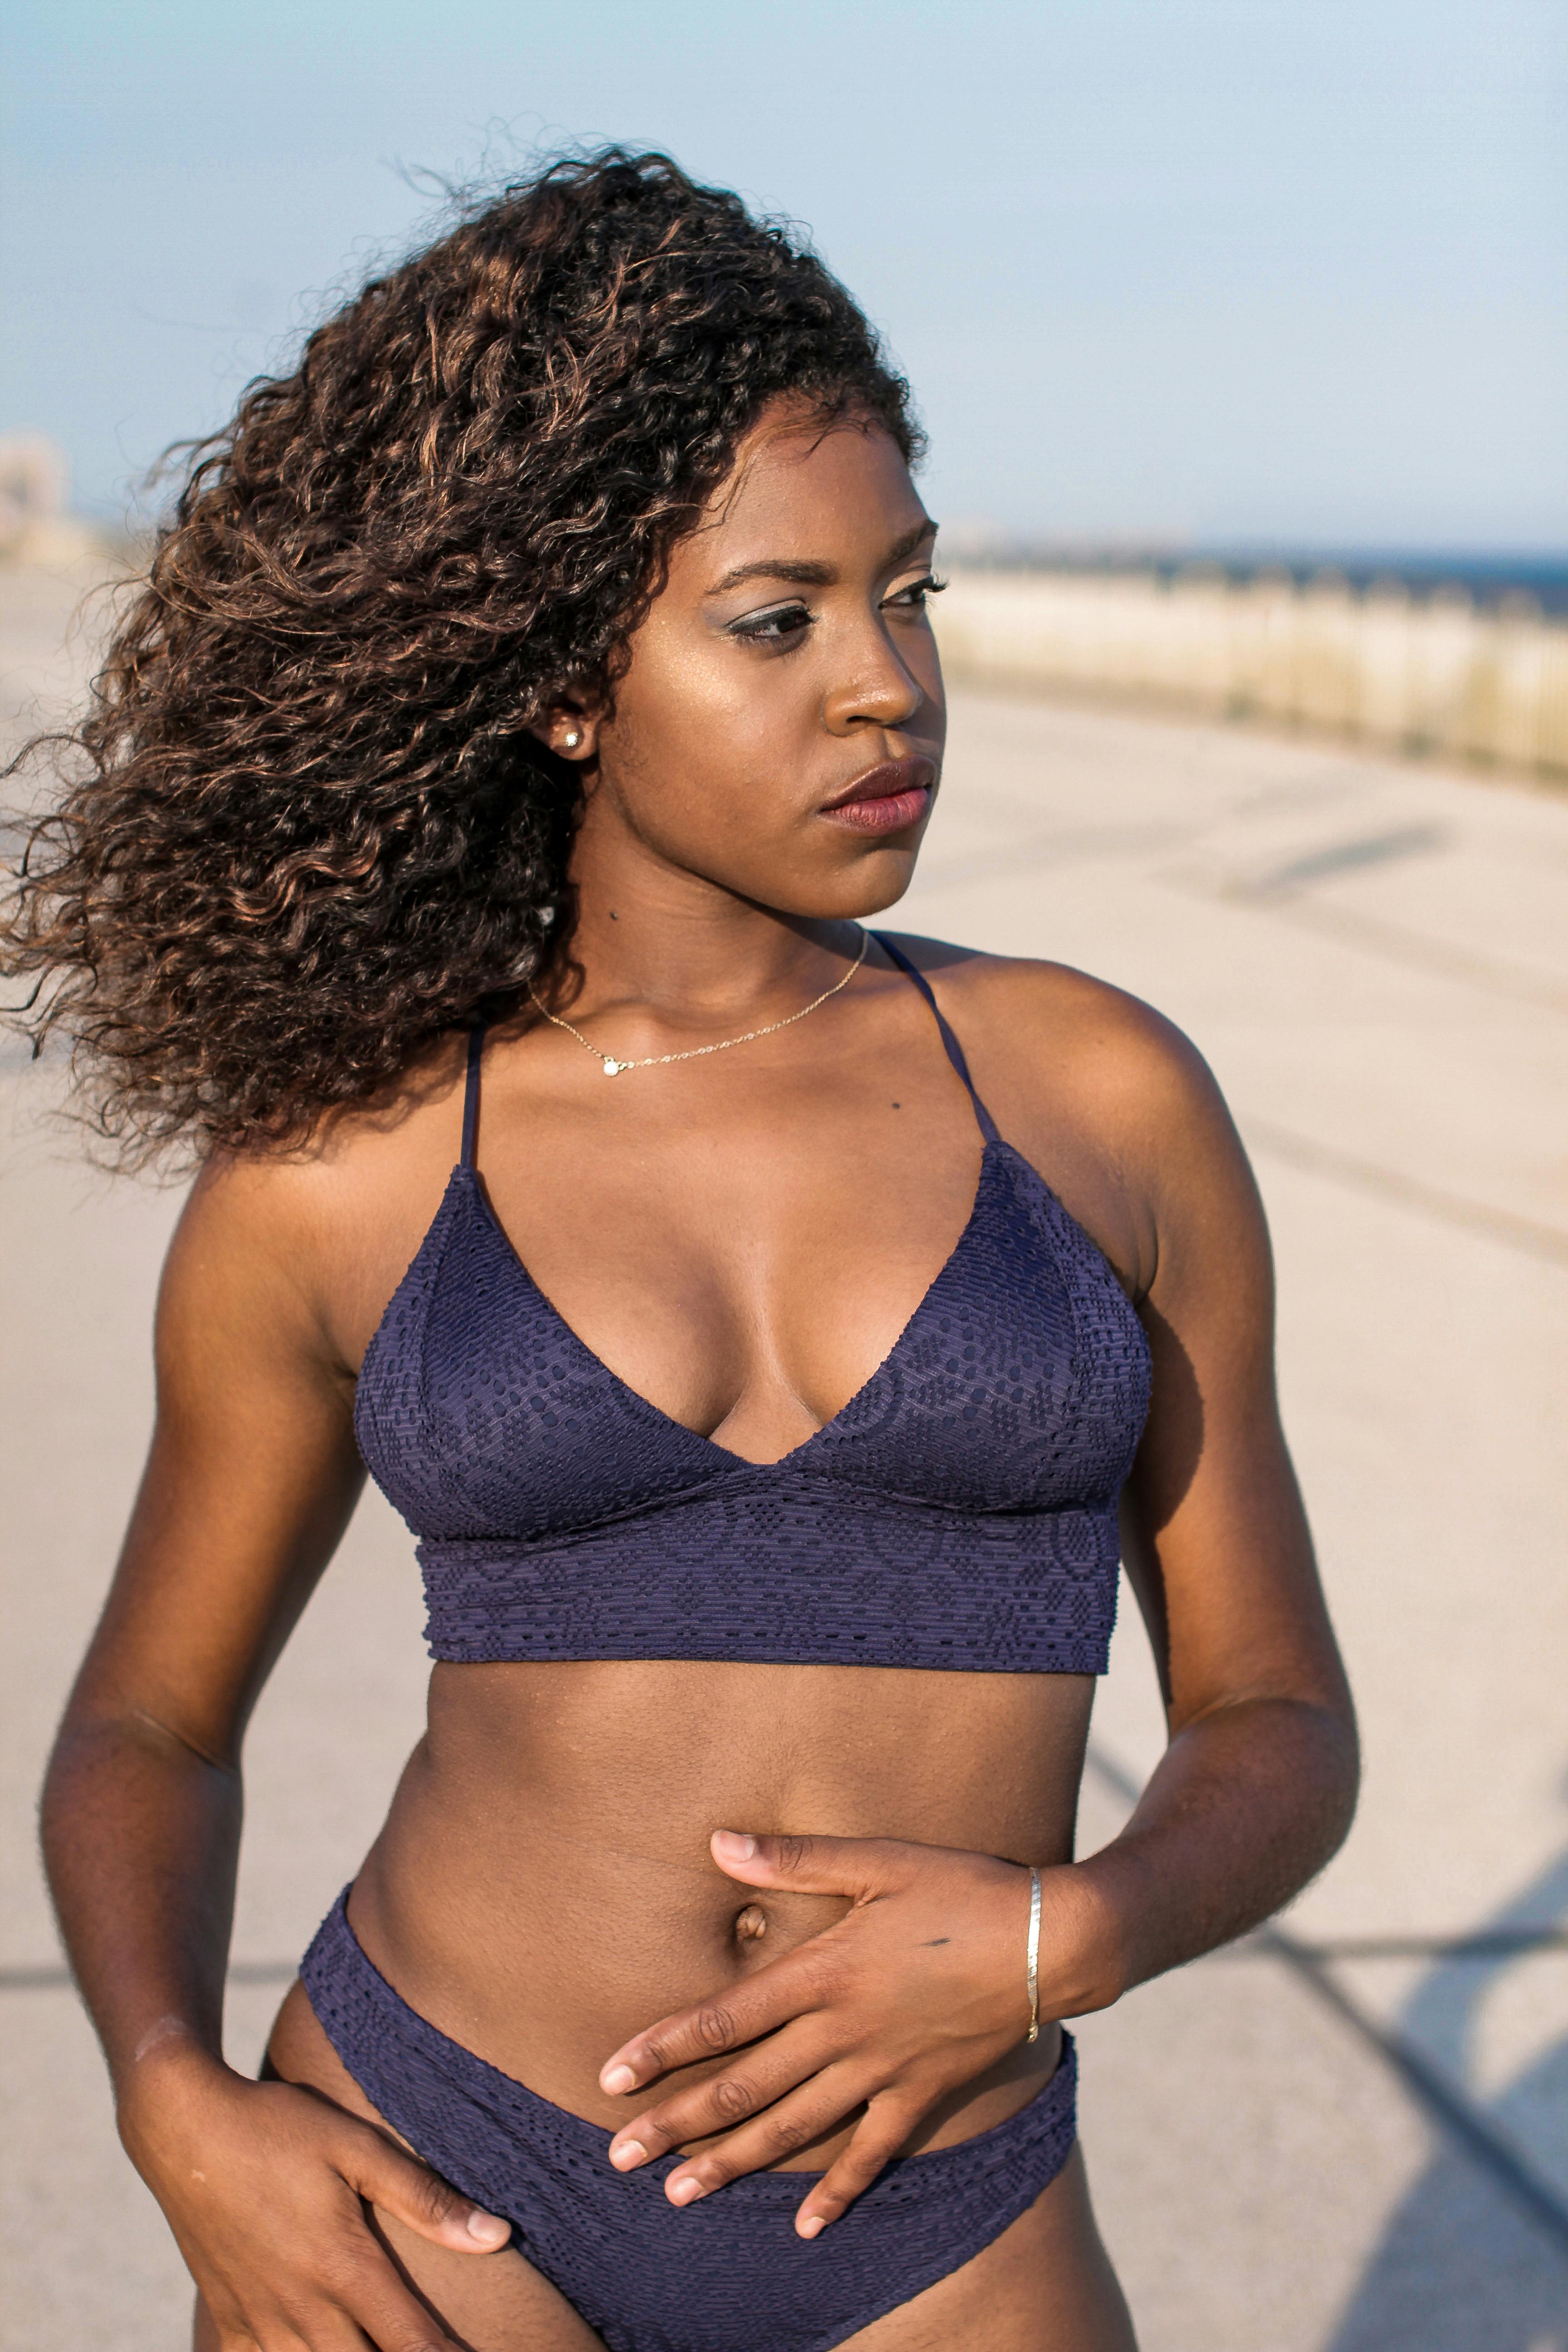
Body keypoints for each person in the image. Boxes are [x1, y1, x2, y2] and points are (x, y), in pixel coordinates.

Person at [6, 150, 1357, 2352]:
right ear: (560, 685)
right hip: (443, 2191)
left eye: (908, 595)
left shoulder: (1098, 1098)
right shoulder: (343, 1165)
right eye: (778, 617)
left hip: (948, 2222)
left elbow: (1278, 1713)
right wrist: (173, 2101)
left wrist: (1063, 1939)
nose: (884, 686)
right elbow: (147, 1725)